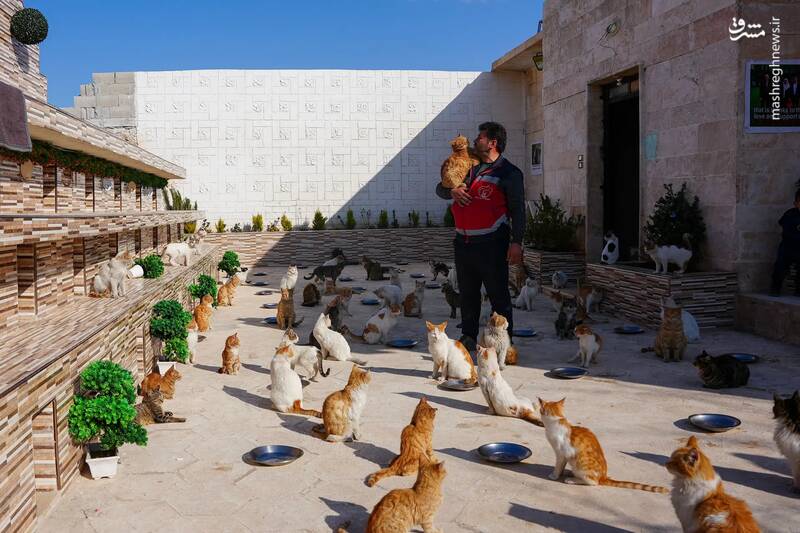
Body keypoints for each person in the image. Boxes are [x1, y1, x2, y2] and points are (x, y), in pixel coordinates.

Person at [435, 122, 525, 351]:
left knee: (498, 295)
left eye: (480, 137)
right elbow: (440, 188)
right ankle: (468, 336)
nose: (475, 141)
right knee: (467, 293)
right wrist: (451, 191)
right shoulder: (469, 166)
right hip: (463, 243)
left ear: (493, 143)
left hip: (492, 243)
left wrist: (517, 243)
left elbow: (518, 211)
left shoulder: (510, 173)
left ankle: (505, 341)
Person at [769, 187, 800, 296]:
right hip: (788, 247)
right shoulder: (790, 215)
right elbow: (786, 231)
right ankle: (775, 288)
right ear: (796, 203)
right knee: (780, 267)